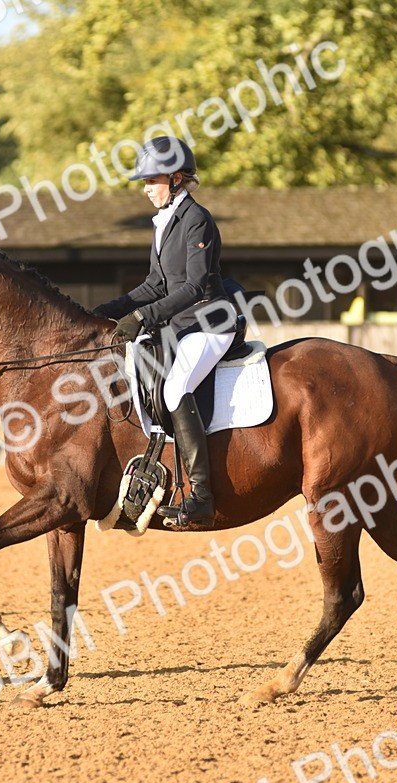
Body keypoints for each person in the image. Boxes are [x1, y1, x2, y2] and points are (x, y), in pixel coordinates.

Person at [94, 136, 238, 526]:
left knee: (175, 387)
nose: (145, 190)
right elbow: (155, 285)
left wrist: (142, 319)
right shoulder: (163, 223)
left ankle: (203, 497)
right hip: (181, 324)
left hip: (211, 323)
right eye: (144, 183)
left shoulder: (197, 219)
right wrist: (113, 309)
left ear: (176, 179)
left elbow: (193, 287)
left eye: (151, 181)